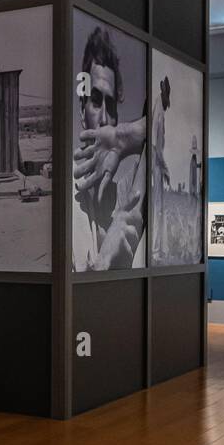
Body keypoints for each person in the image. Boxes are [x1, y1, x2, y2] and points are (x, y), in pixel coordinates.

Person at [73, 26, 147, 270]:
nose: (104, 119)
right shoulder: (63, 199)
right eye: (95, 102)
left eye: (111, 105)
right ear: (81, 112)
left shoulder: (124, 196)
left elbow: (169, 115)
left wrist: (123, 138)